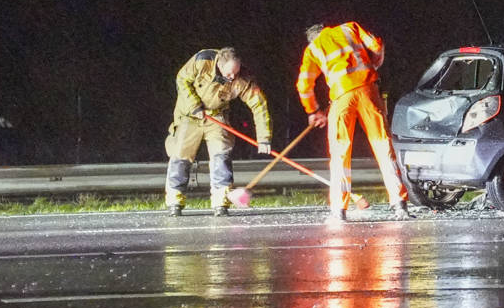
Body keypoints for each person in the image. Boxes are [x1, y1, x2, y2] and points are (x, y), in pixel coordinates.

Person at [298, 21, 413, 224]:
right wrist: (373, 65)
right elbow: (377, 44)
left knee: (340, 152)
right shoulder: (349, 28)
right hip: (369, 89)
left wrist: (314, 110)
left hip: (342, 97)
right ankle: (399, 204)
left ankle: (338, 211)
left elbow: (304, 84)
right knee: (383, 146)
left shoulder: (313, 48)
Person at [165, 47, 272, 216]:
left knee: (221, 155)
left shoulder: (243, 78)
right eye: (229, 73)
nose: (233, 77)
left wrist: (264, 138)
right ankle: (174, 201)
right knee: (180, 157)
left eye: (236, 73)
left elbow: (258, 105)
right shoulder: (202, 60)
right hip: (189, 116)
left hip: (217, 117)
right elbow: (182, 79)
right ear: (219, 65)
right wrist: (194, 106)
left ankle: (221, 202)